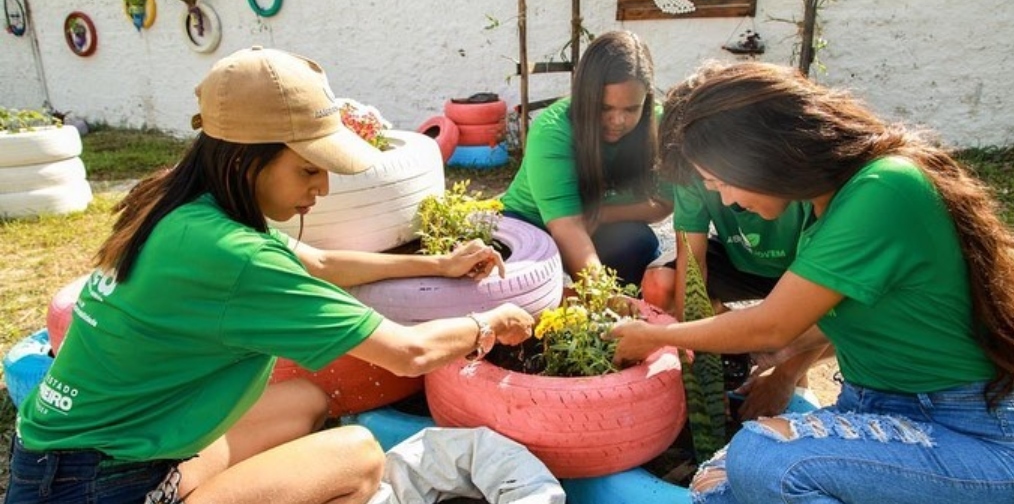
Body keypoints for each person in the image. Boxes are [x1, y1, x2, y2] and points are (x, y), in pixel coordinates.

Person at [4, 46, 534, 504]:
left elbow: (322, 265)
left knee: (301, 402)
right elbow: (408, 353)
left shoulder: (182, 204)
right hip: (103, 487)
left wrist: (438, 265)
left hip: (66, 459)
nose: (322, 188)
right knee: (358, 456)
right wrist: (491, 322)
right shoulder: (234, 257)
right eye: (308, 168)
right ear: (244, 160)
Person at [606, 61, 1014, 503]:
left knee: (763, 460)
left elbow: (773, 324)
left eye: (721, 181)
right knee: (717, 484)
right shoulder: (826, 210)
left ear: (764, 152)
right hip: (880, 408)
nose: (727, 200)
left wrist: (655, 336)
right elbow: (819, 325)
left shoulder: (884, 187)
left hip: (973, 433)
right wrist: (776, 361)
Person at [641, 65, 826, 419]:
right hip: (742, 261)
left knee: (805, 324)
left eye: (717, 178)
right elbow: (691, 265)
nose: (721, 197)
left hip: (803, 273)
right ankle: (740, 354)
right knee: (661, 282)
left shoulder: (808, 185)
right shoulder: (693, 172)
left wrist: (785, 374)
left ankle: (795, 371)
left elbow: (839, 305)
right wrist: (695, 371)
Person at [500, 30, 673, 287]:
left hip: (593, 222)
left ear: (646, 99)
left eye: (631, 109)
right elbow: (567, 225)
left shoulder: (658, 125)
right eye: (605, 108)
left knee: (638, 243)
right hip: (531, 221)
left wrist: (599, 214)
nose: (618, 121)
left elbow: (664, 202)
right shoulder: (553, 131)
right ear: (585, 97)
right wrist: (602, 297)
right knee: (523, 279)